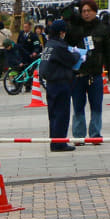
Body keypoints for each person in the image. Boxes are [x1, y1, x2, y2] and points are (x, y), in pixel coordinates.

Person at [65, 0, 110, 143]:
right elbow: (65, 15)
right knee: (78, 106)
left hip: (95, 75)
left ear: (95, 11)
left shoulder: (103, 29)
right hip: (78, 74)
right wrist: (72, 6)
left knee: (96, 106)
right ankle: (78, 136)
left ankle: (95, 134)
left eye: (89, 11)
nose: (86, 14)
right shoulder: (74, 27)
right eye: (83, 11)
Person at [39, 20, 81, 152]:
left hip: (51, 83)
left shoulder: (49, 45)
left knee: (53, 114)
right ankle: (60, 143)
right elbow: (71, 59)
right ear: (61, 32)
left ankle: (54, 141)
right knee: (62, 114)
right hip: (60, 82)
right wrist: (77, 53)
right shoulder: (59, 46)